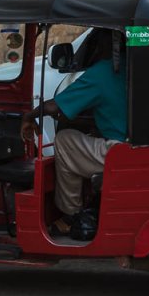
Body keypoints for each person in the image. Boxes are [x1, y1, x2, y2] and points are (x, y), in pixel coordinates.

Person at [20, 30, 126, 236]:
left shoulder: (103, 72)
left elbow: (54, 107)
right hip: (137, 146)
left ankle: (71, 213)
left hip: (119, 152)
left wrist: (29, 116)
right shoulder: (135, 66)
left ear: (106, 45)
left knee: (64, 140)